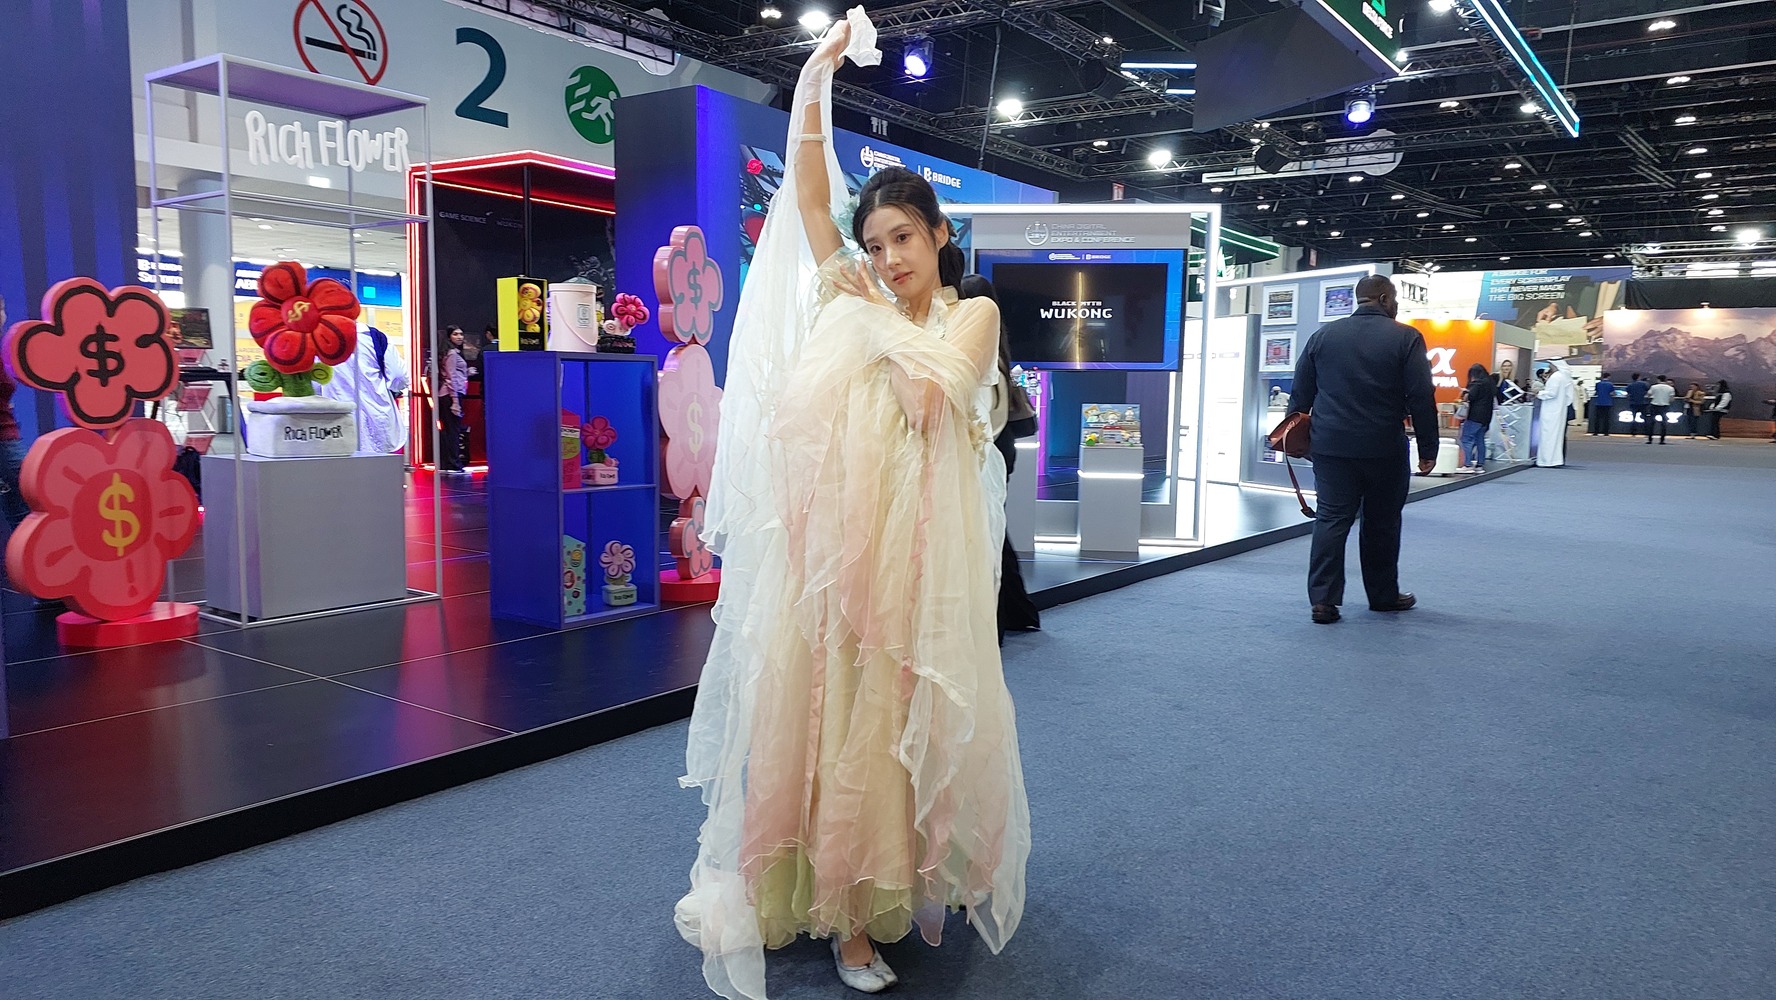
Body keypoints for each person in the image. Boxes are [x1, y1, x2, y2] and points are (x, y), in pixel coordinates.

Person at [675, 14, 1029, 999]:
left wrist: (873, 317)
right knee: (836, 724)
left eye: (903, 237)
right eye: (874, 243)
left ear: (939, 234)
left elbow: (927, 403)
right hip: (837, 554)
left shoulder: (971, 314)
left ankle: (893, 887)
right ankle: (846, 922)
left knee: (903, 723)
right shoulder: (852, 292)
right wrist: (815, 77)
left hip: (921, 561)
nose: (887, 256)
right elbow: (807, 194)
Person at [1287, 273, 1437, 625]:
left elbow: (1301, 394)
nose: (1396, 305)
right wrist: (1428, 449)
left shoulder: (1322, 336)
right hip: (1383, 446)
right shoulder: (1406, 337)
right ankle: (1383, 597)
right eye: (1395, 298)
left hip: (1330, 447)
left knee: (1331, 519)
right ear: (1384, 299)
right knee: (1382, 523)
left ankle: (1323, 601)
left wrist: (1296, 440)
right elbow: (1421, 396)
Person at [958, 273, 1041, 641]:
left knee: (987, 532)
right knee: (993, 529)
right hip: (997, 445)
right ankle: (1016, 611)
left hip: (985, 448)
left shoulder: (979, 346)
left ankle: (1001, 618)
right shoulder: (997, 345)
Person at [320, 323, 410, 454]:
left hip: (336, 427)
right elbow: (399, 377)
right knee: (383, 464)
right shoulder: (373, 336)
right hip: (377, 423)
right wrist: (392, 388)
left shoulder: (317, 340)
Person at [0, 294, 29, 536]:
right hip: (4, 441)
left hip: (8, 437)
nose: (3, 315)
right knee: (24, 513)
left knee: (19, 512)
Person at [437, 325, 469, 471]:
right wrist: (455, 401)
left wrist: (467, 372)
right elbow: (451, 377)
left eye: (461, 334)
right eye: (455, 334)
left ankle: (448, 463)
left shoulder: (451, 352)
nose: (460, 337)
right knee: (453, 431)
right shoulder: (452, 353)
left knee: (449, 430)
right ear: (449, 336)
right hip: (451, 394)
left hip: (448, 394)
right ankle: (454, 464)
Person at [1459, 362, 1493, 471]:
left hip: (1475, 416)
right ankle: (1479, 465)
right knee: (1480, 440)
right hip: (1486, 417)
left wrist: (1465, 393)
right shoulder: (1490, 383)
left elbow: (1469, 397)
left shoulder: (1476, 384)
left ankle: (1467, 464)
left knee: (1466, 439)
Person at [1645, 375, 1676, 444]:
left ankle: (1650, 439)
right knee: (1664, 423)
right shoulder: (1670, 388)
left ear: (1658, 380)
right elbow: (1672, 399)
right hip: (1665, 406)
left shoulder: (1654, 387)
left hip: (1654, 405)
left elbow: (1649, 395)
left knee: (1651, 423)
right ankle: (1662, 440)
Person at [1625, 372, 1650, 436]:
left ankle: (1633, 432)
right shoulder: (1644, 384)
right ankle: (1646, 432)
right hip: (1643, 403)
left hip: (1633, 403)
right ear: (1639, 377)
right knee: (1645, 417)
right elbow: (1648, 391)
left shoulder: (1630, 385)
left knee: (1633, 417)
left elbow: (1628, 393)